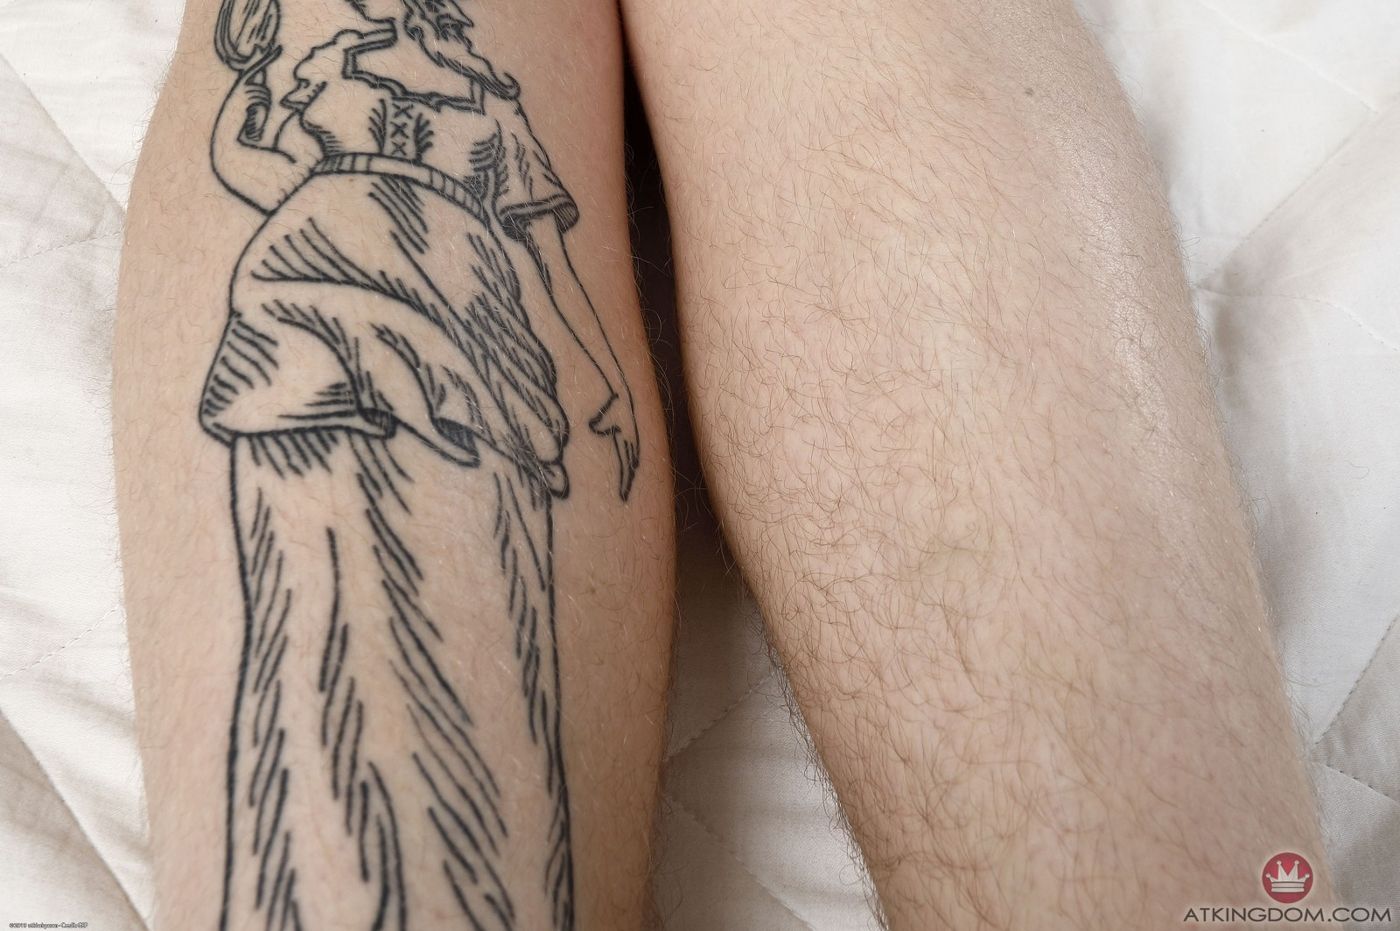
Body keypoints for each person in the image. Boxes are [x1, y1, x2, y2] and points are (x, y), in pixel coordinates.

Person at [114, 0, 1334, 927]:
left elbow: (540, 255)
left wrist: (592, 381)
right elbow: (257, 150)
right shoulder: (331, 62)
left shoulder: (478, 107)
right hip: (329, 303)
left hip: (443, 306)